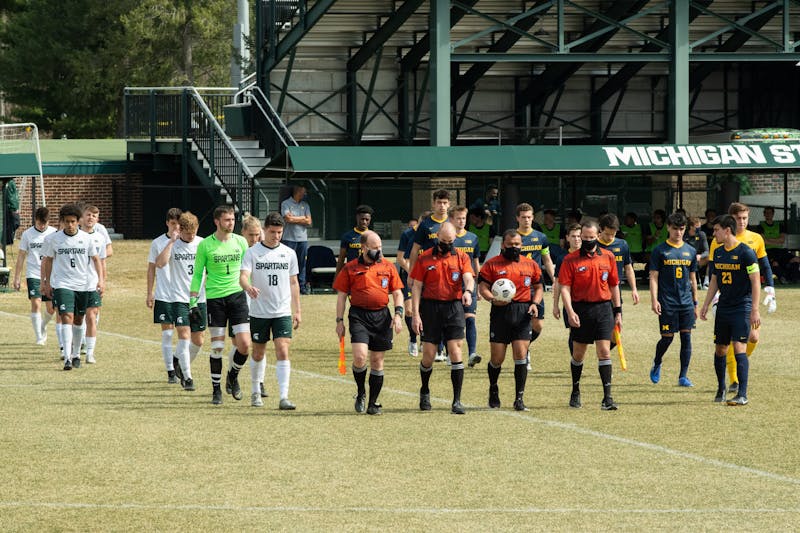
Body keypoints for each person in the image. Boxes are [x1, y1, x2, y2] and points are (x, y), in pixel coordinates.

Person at [334, 230, 404, 415]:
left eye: (380, 247)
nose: (379, 251)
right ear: (363, 248)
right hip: (358, 316)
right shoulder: (350, 268)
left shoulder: (388, 267)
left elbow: (397, 293)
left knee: (377, 360)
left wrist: (398, 314)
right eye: (375, 248)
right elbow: (341, 296)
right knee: (360, 357)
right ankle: (361, 392)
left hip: (382, 316)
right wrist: (339, 321)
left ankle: (373, 403)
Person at [709, 202, 775, 394]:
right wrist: (711, 299)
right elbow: (714, 272)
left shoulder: (755, 239)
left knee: (753, 336)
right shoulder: (718, 241)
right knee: (728, 343)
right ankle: (734, 380)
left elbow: (764, 265)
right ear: (731, 220)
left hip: (746, 298)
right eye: (739, 218)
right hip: (726, 297)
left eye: (745, 218)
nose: (743, 222)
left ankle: (739, 364)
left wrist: (770, 288)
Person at [409, 222, 475, 414]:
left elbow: (469, 277)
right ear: (437, 236)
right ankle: (425, 390)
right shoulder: (425, 258)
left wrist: (468, 291)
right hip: (430, 308)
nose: (447, 244)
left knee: (455, 352)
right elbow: (417, 286)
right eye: (444, 241)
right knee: (428, 356)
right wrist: (415, 315)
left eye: (451, 241)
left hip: (454, 307)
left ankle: (457, 401)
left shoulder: (461, 257)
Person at [558, 220, 622, 410]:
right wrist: (570, 311)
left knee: (603, 351)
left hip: (603, 309)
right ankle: (575, 390)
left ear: (598, 235)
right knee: (578, 354)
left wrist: (617, 311)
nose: (587, 241)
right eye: (584, 238)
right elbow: (565, 288)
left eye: (591, 238)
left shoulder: (608, 257)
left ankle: (607, 398)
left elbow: (614, 285)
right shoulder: (570, 260)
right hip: (581, 309)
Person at [240, 212, 301, 410]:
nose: (276, 236)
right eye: (273, 232)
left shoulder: (289, 253)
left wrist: (297, 310)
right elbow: (243, 276)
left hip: (282, 311)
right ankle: (256, 391)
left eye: (280, 232)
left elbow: (294, 283)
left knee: (283, 349)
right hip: (259, 311)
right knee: (258, 353)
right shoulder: (252, 253)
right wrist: (248, 286)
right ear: (265, 230)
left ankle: (284, 397)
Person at [190, 204, 251, 405]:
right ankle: (216, 390)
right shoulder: (206, 245)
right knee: (217, 347)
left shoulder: (241, 242)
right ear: (217, 221)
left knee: (244, 345)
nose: (231, 223)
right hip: (215, 299)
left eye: (233, 219)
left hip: (237, 297)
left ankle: (232, 376)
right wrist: (193, 303)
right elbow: (198, 274)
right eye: (227, 220)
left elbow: (247, 270)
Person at [478, 229, 543, 411]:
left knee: (520, 355)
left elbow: (538, 287)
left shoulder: (530, 264)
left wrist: (534, 304)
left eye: (517, 245)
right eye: (510, 245)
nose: (514, 248)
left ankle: (519, 399)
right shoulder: (492, 264)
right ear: (503, 245)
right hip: (500, 312)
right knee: (497, 358)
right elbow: (482, 286)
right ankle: (493, 388)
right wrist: (492, 298)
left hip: (522, 312)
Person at [700, 215, 761, 406]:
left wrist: (755, 310)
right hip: (724, 307)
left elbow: (756, 282)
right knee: (720, 349)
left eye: (716, 229)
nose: (714, 233)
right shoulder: (718, 253)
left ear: (727, 230)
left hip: (742, 307)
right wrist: (705, 304)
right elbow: (714, 281)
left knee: (739, 347)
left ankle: (742, 394)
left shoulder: (746, 253)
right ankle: (721, 388)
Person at [40, 204, 104, 370]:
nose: (70, 225)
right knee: (66, 316)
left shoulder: (87, 239)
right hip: (62, 284)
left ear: (78, 221)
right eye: (67, 222)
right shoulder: (53, 239)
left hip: (83, 285)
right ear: (62, 222)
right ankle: (67, 357)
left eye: (73, 222)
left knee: (78, 319)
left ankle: (76, 354)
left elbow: (96, 260)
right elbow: (48, 260)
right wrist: (45, 282)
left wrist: (101, 280)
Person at [153, 211, 206, 392]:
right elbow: (159, 263)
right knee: (184, 336)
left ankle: (178, 360)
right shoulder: (172, 245)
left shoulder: (202, 244)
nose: (190, 236)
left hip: (199, 298)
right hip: (178, 298)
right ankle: (188, 377)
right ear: (180, 229)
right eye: (187, 233)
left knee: (198, 340)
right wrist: (172, 241)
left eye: (193, 232)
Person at [648, 212, 699, 387]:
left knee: (687, 338)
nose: (678, 232)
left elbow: (692, 278)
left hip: (685, 302)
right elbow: (653, 277)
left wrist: (695, 303)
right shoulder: (660, 250)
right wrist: (654, 300)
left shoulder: (691, 251)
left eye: (682, 229)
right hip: (667, 301)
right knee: (667, 338)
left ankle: (683, 376)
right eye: (675, 229)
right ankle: (657, 362)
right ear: (668, 227)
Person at [408, 189, 452, 362]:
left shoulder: (452, 222)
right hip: (428, 273)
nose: (442, 206)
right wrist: (412, 273)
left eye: (445, 202)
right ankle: (438, 348)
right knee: (432, 310)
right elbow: (414, 250)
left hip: (449, 273)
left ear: (449, 204)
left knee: (450, 311)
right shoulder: (426, 224)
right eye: (439, 202)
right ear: (433, 204)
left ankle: (449, 350)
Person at [516, 203, 556, 370]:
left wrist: (555, 281)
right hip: (517, 286)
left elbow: (546, 260)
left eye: (529, 217)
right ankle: (523, 353)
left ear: (533, 218)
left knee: (538, 324)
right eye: (523, 217)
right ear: (517, 218)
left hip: (536, 285)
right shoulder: (511, 237)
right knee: (520, 321)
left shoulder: (541, 237)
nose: (526, 220)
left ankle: (525, 346)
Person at [147, 208, 183, 383]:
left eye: (179, 223)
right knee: (168, 334)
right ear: (167, 223)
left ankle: (178, 362)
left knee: (186, 335)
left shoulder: (188, 242)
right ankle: (170, 371)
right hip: (164, 295)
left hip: (182, 296)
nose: (176, 227)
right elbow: (153, 267)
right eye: (173, 223)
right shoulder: (158, 242)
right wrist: (149, 292)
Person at [69, 205, 108, 364]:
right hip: (76, 283)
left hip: (92, 283)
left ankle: (90, 353)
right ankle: (76, 350)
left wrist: (102, 281)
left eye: (94, 215)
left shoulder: (100, 237)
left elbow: (102, 261)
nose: (90, 218)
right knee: (78, 319)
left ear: (97, 219)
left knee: (92, 316)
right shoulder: (73, 236)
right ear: (82, 218)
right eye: (88, 215)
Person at [13, 206, 57, 345]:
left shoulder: (54, 233)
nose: (42, 226)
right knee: (36, 303)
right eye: (39, 223)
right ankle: (39, 337)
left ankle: (43, 326)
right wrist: (17, 277)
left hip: (50, 275)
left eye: (45, 223)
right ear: (35, 220)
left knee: (51, 308)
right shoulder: (27, 234)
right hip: (34, 273)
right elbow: (21, 256)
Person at [237, 214, 269, 399]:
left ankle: (260, 382)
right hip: (240, 300)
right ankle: (235, 376)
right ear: (243, 233)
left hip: (259, 302)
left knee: (259, 343)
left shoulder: (262, 250)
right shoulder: (240, 250)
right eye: (251, 235)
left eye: (258, 235)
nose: (254, 239)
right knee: (241, 344)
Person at [449, 205, 482, 368]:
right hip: (450, 288)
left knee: (470, 320)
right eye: (458, 218)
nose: (461, 221)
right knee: (452, 322)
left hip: (469, 286)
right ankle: (449, 352)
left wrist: (478, 285)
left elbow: (475, 262)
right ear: (451, 220)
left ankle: (472, 354)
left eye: (464, 218)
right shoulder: (447, 239)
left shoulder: (473, 238)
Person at [396, 210, 430, 358]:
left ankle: (424, 338)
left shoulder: (433, 236)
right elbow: (401, 258)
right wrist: (412, 272)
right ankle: (412, 339)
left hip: (427, 278)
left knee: (425, 310)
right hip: (409, 276)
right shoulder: (408, 235)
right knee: (409, 309)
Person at [552, 223, 583, 357]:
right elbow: (557, 283)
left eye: (579, 236)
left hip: (589, 301)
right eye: (573, 236)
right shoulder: (562, 259)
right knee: (574, 332)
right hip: (570, 302)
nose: (576, 239)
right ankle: (575, 361)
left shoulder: (591, 255)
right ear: (567, 238)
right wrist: (555, 305)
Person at [598, 213, 640, 305]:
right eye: (607, 234)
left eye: (612, 234)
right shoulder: (593, 245)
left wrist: (634, 289)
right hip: (596, 293)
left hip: (615, 291)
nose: (609, 237)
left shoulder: (622, 245)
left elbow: (628, 268)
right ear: (600, 229)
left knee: (617, 317)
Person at [281, 184, 312, 295]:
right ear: (297, 191)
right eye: (303, 192)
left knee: (302, 263)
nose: (304, 194)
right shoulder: (286, 203)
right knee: (287, 263)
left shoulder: (305, 205)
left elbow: (309, 221)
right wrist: (302, 218)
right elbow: (288, 219)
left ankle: (302, 287)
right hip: (289, 239)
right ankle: (287, 287)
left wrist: (295, 218)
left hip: (302, 239)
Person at [335, 204, 373, 275]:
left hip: (368, 274)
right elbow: (341, 259)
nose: (364, 222)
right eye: (362, 219)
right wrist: (336, 277)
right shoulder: (347, 236)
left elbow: (378, 257)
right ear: (357, 218)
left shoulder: (373, 236)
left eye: (367, 219)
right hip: (352, 273)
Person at [685, 216, 710, 288]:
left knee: (710, 258)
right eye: (697, 227)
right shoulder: (684, 235)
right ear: (691, 227)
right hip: (686, 258)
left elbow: (707, 251)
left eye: (700, 226)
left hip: (698, 259)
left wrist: (700, 256)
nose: (699, 228)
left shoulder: (702, 234)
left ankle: (706, 283)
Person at [4, 179, 20, 246]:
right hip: (9, 208)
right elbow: (11, 196)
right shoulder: (10, 183)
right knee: (14, 223)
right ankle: (7, 241)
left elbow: (13, 196)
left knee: (15, 223)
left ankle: (8, 241)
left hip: (11, 208)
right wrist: (14, 208)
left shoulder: (11, 182)